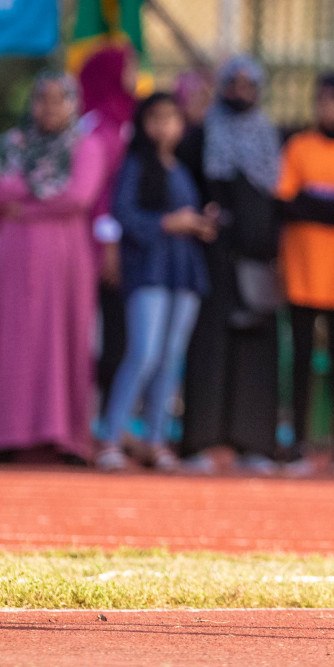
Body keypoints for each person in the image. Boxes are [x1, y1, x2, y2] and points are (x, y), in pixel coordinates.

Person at [0, 72, 106, 465]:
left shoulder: (87, 145)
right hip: (15, 254)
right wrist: (37, 195)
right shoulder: (12, 143)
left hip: (65, 257)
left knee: (63, 337)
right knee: (14, 338)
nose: (49, 108)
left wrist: (22, 201)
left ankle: (66, 438)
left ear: (73, 104)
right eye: (42, 99)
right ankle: (9, 435)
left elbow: (78, 195)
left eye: (58, 100)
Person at [97, 93, 216, 472]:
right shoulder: (134, 166)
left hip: (183, 271)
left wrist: (199, 223)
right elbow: (125, 216)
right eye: (156, 118)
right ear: (144, 124)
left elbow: (185, 217)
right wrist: (169, 223)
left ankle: (154, 440)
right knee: (143, 353)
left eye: (172, 118)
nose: (165, 126)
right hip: (148, 270)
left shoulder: (180, 168)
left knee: (170, 360)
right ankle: (111, 436)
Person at [177, 56, 284, 474]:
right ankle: (199, 442)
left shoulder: (271, 137)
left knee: (256, 349)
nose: (240, 90)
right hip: (213, 262)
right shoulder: (201, 136)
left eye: (248, 83)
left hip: (258, 261)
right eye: (233, 83)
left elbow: (278, 197)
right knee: (208, 348)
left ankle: (254, 444)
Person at [276, 73, 334, 475]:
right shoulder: (299, 146)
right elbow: (284, 200)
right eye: (321, 100)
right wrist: (323, 207)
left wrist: (310, 201)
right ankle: (296, 441)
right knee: (299, 359)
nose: (325, 108)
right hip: (300, 268)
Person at [77, 46, 139, 408]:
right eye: (128, 67)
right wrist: (108, 245)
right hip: (100, 245)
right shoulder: (95, 125)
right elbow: (100, 192)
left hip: (132, 240)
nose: (136, 73)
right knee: (102, 331)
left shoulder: (128, 118)